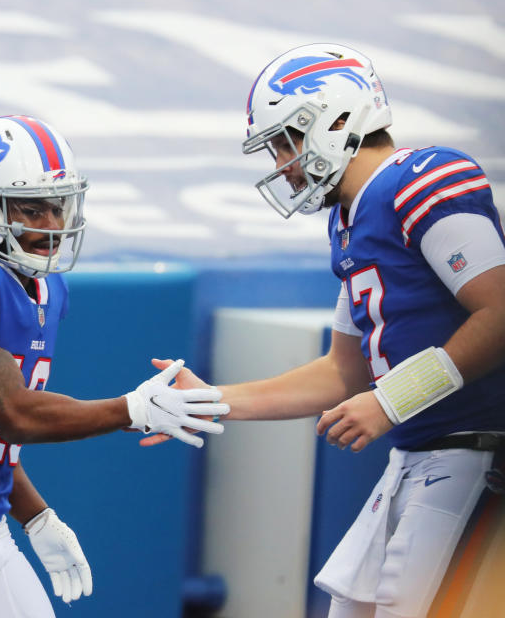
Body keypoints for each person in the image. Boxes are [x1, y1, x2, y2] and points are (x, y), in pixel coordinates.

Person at [151, 43, 505, 617]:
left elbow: (500, 312)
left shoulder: (422, 178)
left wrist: (391, 401)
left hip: (474, 454)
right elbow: (345, 370)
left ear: (338, 122)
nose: (282, 164)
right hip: (417, 455)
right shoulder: (351, 216)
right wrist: (213, 401)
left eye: (286, 141)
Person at [0, 114, 230, 617]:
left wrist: (36, 518)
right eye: (31, 209)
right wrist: (130, 409)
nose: (52, 226)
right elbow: (15, 414)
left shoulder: (45, 288)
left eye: (59, 206)